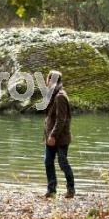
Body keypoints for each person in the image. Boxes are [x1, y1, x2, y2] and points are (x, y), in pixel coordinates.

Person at [43, 70, 75, 199]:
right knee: (48, 162)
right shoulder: (53, 94)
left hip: (59, 138)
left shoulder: (60, 96)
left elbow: (61, 119)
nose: (46, 82)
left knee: (63, 163)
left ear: (52, 81)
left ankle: (71, 190)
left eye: (48, 79)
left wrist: (53, 136)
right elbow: (50, 117)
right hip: (51, 136)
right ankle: (51, 190)